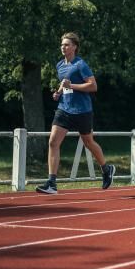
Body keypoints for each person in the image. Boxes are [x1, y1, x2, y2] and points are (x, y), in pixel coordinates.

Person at [36, 32, 115, 194]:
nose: (63, 47)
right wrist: (58, 93)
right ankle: (51, 183)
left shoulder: (81, 65)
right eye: (62, 45)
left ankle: (106, 169)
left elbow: (93, 86)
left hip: (82, 111)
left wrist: (72, 86)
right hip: (64, 109)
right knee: (53, 142)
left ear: (75, 47)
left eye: (67, 45)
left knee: (88, 142)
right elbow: (65, 82)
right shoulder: (60, 65)